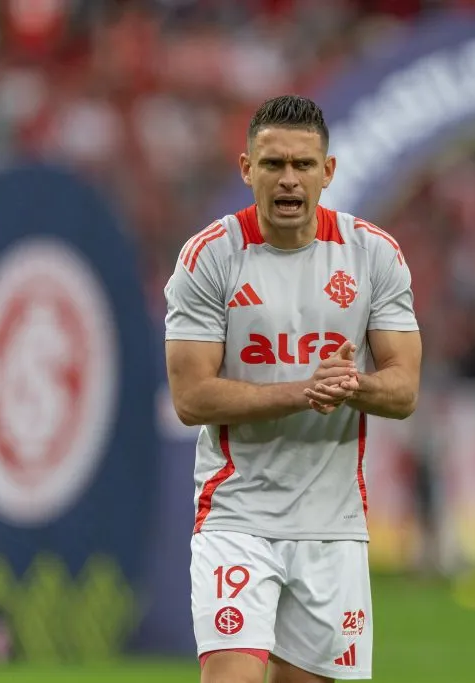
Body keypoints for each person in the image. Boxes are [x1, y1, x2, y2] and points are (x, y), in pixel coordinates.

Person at [164, 94, 422, 683]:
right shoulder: (210, 258)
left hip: (332, 526)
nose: (288, 180)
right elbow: (191, 399)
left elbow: (404, 389)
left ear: (327, 172)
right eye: (273, 163)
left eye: (303, 165)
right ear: (246, 169)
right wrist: (304, 390)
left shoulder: (373, 255)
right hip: (237, 516)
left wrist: (349, 385)